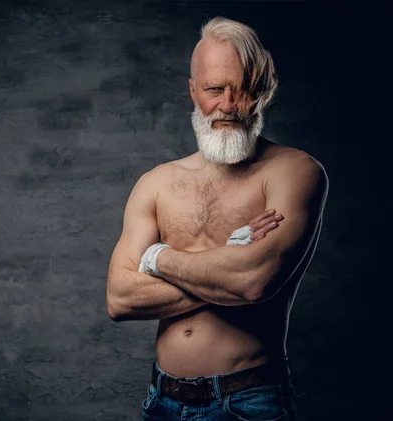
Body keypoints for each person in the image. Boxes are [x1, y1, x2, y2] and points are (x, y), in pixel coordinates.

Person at [106, 16, 328, 421]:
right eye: (214, 89)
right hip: (162, 401)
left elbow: (252, 282)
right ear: (193, 91)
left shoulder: (294, 171)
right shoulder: (156, 182)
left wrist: (157, 258)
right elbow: (120, 298)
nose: (227, 105)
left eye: (242, 90)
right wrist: (228, 258)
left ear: (265, 90)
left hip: (251, 400)